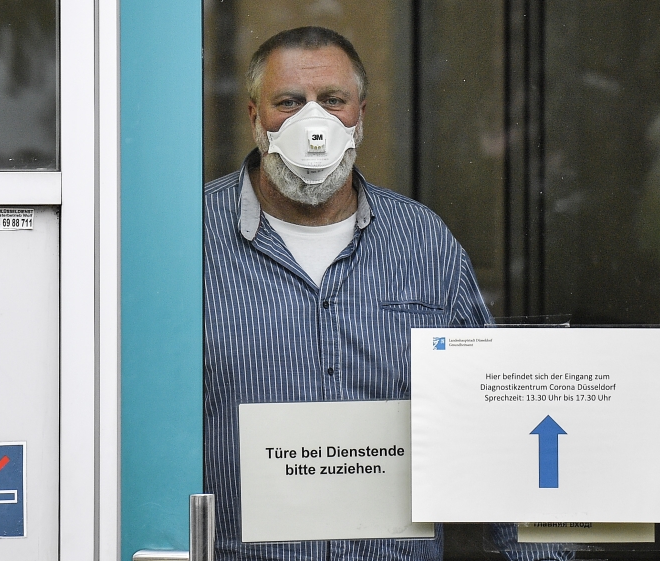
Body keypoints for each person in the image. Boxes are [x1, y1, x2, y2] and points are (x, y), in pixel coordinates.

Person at [203, 26, 570, 561]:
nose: (315, 124)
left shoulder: (423, 243)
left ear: (361, 115)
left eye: (333, 101)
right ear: (255, 117)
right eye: (289, 102)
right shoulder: (190, 243)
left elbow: (497, 419)